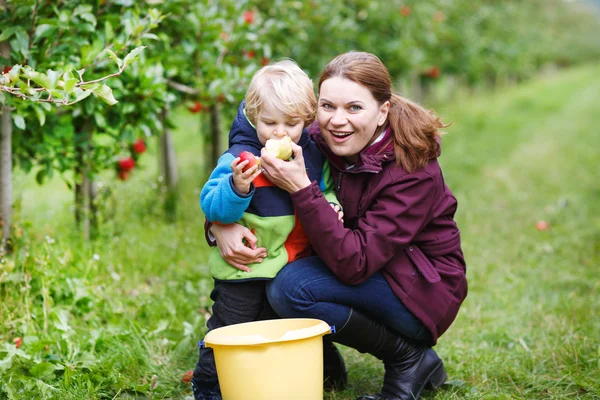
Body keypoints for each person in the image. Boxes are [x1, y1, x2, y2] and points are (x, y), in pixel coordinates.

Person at [208, 51, 468, 400]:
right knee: (290, 280)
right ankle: (323, 362)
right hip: (364, 262)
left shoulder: (412, 171)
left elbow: (355, 263)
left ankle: (407, 356)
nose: (337, 121)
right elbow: (253, 123)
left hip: (421, 287)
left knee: (292, 289)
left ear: (383, 111)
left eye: (354, 108)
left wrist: (301, 187)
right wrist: (218, 224)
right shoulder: (317, 135)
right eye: (327, 106)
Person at [191, 60, 345, 400]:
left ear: (306, 120)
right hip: (243, 269)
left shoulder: (313, 155)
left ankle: (326, 374)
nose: (279, 133)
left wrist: (332, 203)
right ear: (252, 117)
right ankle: (208, 386)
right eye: (269, 123)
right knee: (230, 329)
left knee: (294, 326)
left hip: (290, 262)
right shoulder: (240, 159)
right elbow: (212, 206)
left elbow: (325, 188)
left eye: (290, 124)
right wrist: (237, 187)